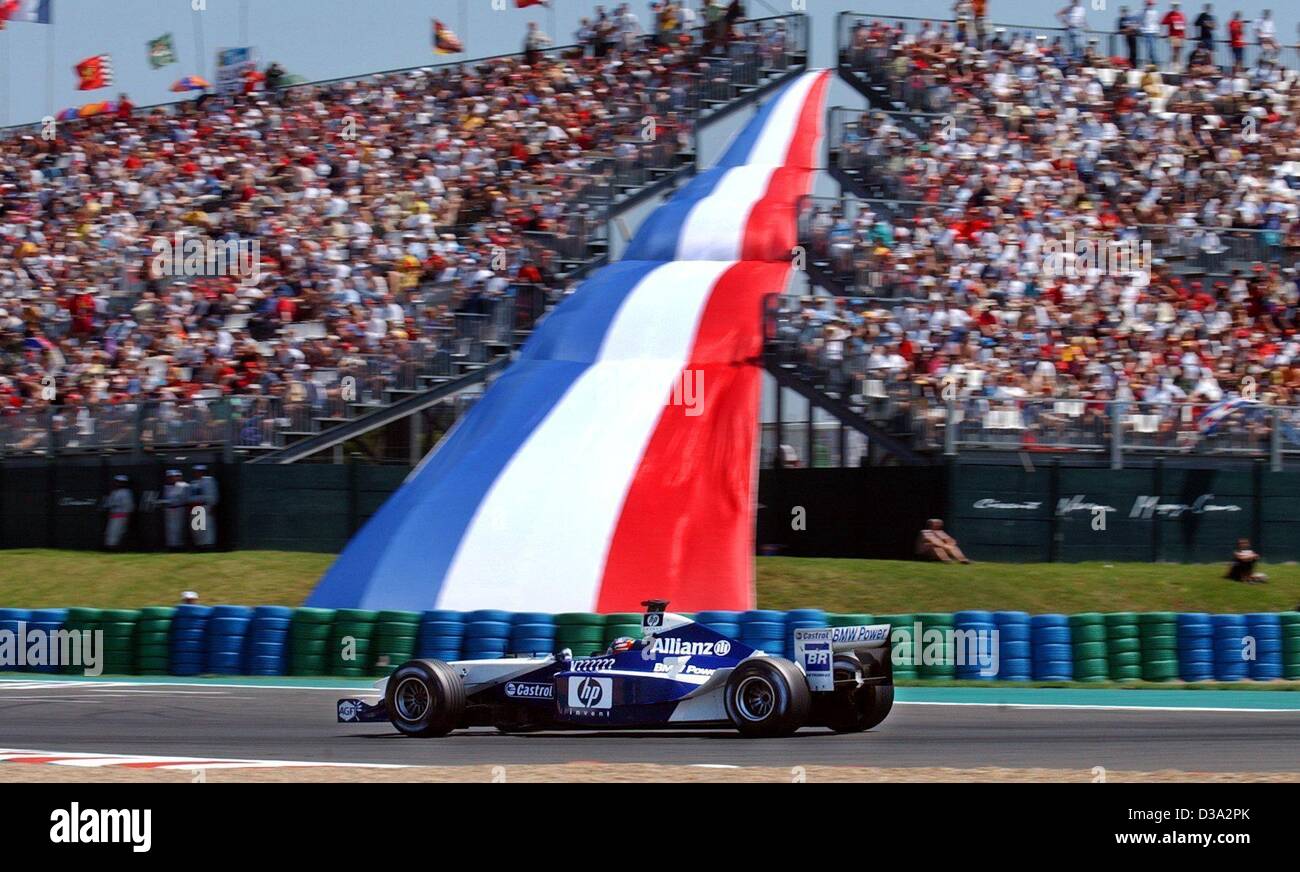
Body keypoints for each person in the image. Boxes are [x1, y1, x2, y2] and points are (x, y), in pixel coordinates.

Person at [189, 465, 219, 549]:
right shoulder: (193, 483)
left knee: (206, 527)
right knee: (197, 527)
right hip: (195, 507)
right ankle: (200, 545)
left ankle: (209, 545)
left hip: (205, 506)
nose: (197, 473)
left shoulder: (209, 480)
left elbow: (213, 495)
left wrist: (212, 505)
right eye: (195, 471)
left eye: (199, 471)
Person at [160, 469, 190, 551]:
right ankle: (171, 546)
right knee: (170, 528)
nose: (171, 479)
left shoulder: (184, 486)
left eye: (174, 477)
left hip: (179, 508)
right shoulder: (166, 487)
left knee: (179, 528)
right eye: (169, 477)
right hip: (169, 510)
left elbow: (184, 499)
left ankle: (179, 546)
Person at [103, 475, 134, 551]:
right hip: (113, 516)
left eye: (120, 482)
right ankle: (111, 549)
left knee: (117, 534)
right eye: (116, 482)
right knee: (110, 534)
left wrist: (127, 517)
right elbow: (109, 504)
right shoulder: (113, 492)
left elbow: (128, 506)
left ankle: (117, 550)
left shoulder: (126, 492)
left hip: (121, 516)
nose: (117, 484)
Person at [1163, 1, 1187, 69]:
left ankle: (1178, 64)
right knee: (1174, 51)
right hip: (1173, 35)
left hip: (1180, 36)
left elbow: (1183, 26)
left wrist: (1184, 36)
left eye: (1176, 6)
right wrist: (1165, 34)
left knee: (1179, 51)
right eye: (1174, 6)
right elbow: (1164, 23)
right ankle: (1173, 64)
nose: (1175, 7)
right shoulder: (1169, 15)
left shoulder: (1181, 15)